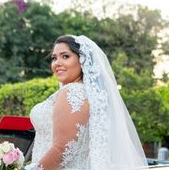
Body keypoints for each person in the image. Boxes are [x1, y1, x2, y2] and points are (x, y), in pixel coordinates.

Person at [26, 35, 146, 170]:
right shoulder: (86, 93)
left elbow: (62, 150)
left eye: (65, 56)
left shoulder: (73, 92)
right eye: (54, 58)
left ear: (82, 59)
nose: (57, 63)